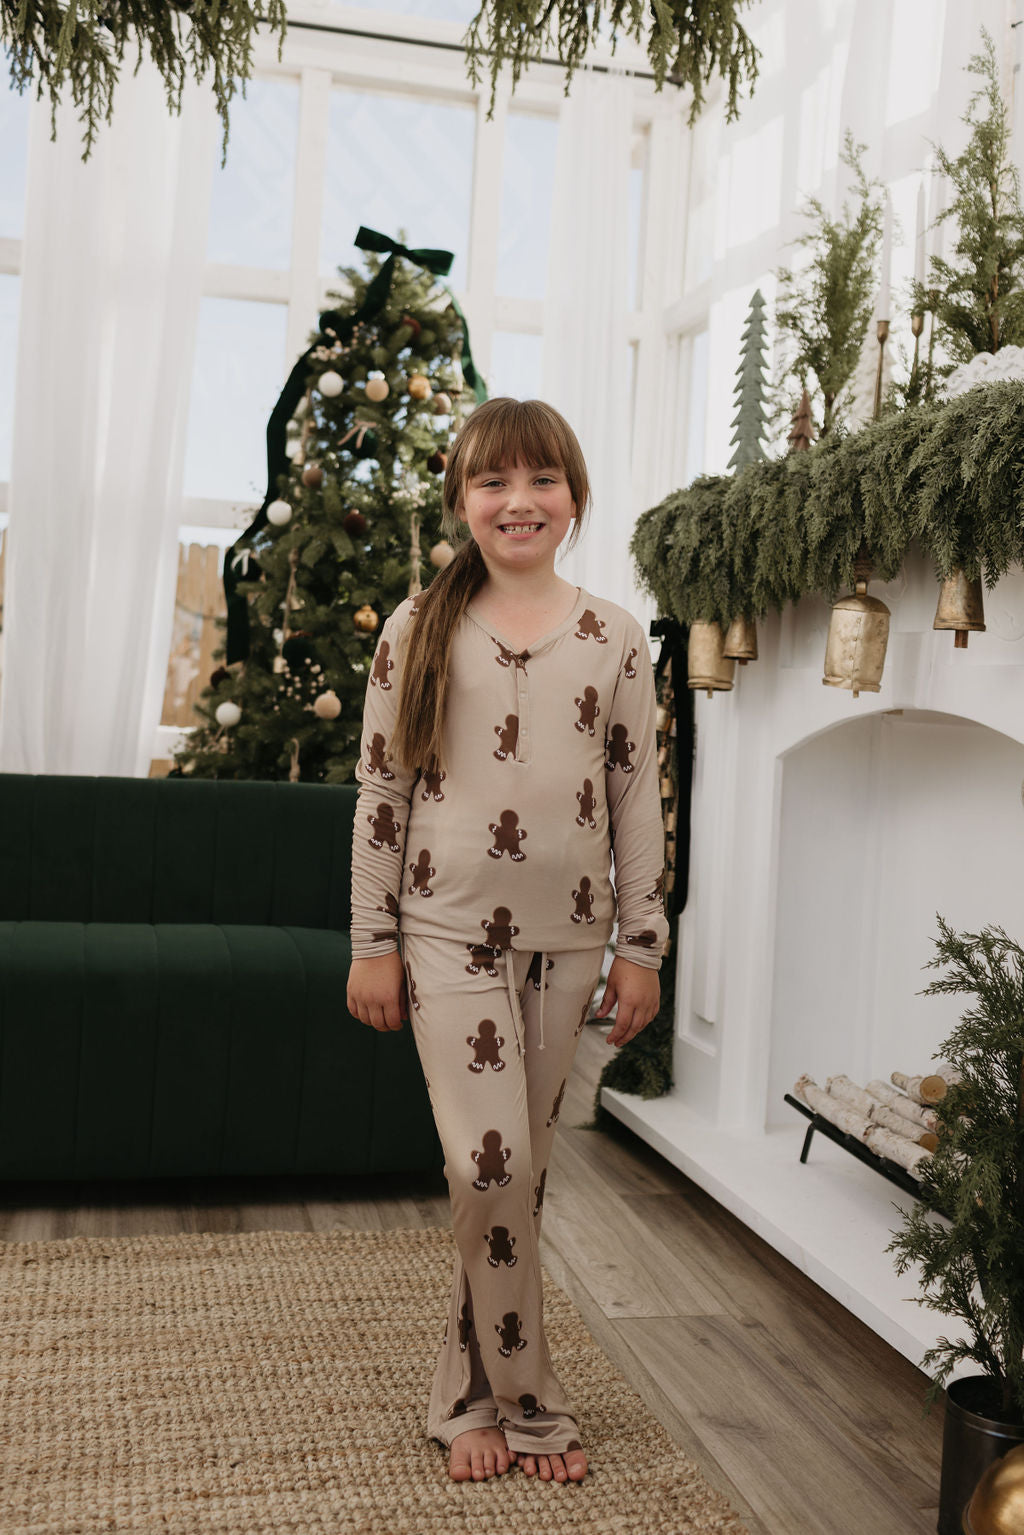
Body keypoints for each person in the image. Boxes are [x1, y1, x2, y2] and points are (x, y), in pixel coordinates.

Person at [346, 397, 669, 1486]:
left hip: (570, 941)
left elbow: (636, 798)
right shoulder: (416, 628)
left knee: (517, 1177)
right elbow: (382, 790)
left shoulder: (615, 637)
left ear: (573, 497)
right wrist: (369, 938)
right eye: (493, 482)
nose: (518, 500)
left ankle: (466, 1391)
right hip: (443, 934)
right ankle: (532, 1403)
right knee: (484, 1165)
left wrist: (642, 942)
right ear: (462, 500)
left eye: (542, 480)